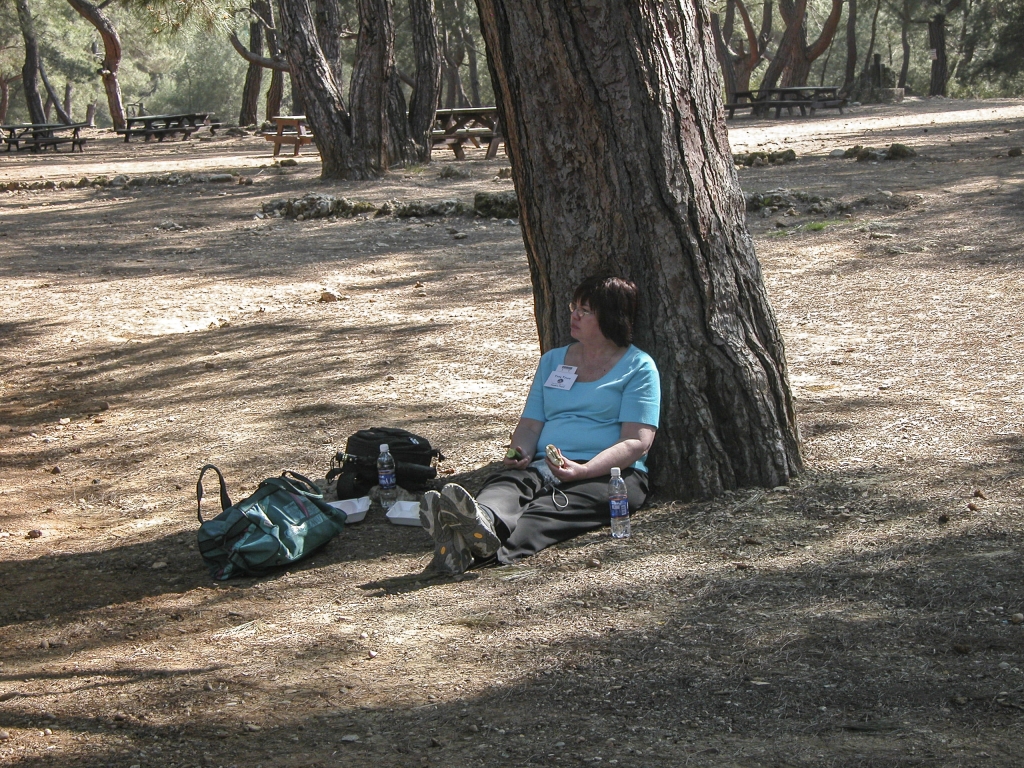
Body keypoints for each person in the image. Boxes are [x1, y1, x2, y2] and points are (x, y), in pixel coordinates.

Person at [420, 275, 661, 573]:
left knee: (545, 510)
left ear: (611, 317)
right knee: (507, 484)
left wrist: (583, 470)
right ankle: (481, 518)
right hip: (546, 463)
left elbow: (637, 442)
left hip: (610, 475)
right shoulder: (552, 361)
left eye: (586, 310)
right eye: (575, 306)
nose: (574, 314)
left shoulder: (638, 367)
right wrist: (519, 451)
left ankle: (472, 552)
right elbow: (531, 424)